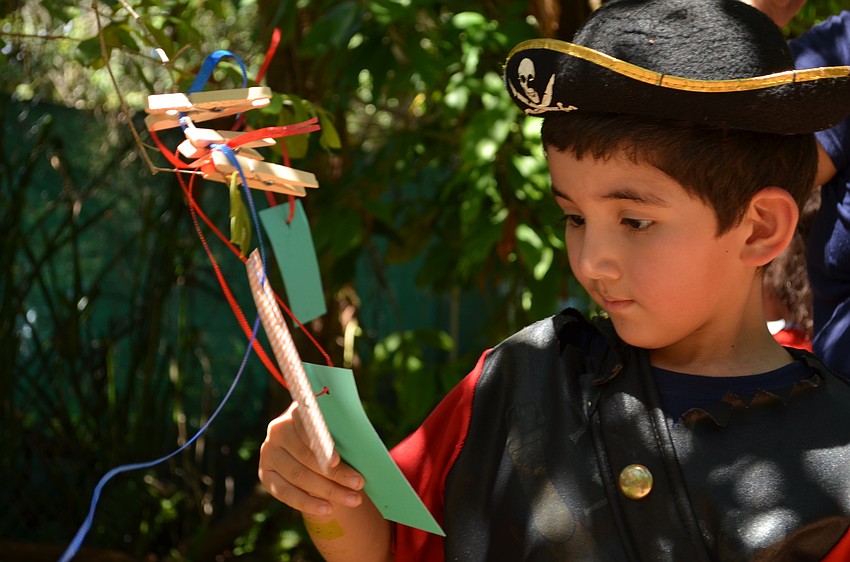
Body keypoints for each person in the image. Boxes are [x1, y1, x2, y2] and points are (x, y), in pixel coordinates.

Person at [257, 0, 850, 560]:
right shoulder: (515, 378)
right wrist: (326, 491)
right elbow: (391, 546)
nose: (592, 259)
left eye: (635, 221)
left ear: (759, 229)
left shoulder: (838, 458)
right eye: (573, 217)